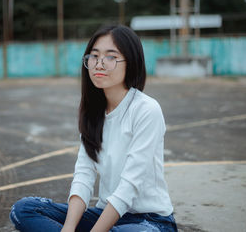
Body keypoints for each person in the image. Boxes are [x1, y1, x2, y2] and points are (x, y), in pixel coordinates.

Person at [9, 25, 178, 232]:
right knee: (24, 209)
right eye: (94, 56)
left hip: (150, 222)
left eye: (111, 57)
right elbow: (84, 175)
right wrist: (68, 229)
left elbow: (129, 186)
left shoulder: (146, 109)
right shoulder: (94, 112)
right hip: (106, 214)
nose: (99, 64)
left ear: (131, 63)